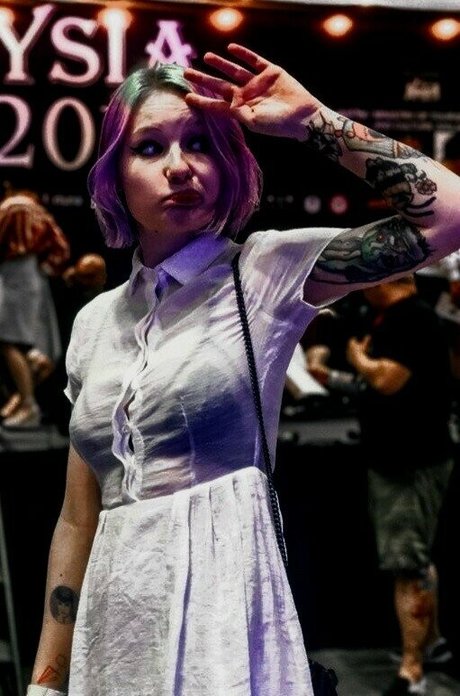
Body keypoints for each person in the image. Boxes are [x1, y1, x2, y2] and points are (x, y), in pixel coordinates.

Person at [27, 43, 460, 696]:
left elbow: (450, 216)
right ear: (115, 174)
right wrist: (46, 679)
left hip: (222, 619)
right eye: (150, 147)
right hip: (114, 629)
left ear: (228, 166)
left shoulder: (263, 272)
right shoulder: (93, 323)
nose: (179, 166)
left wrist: (312, 121)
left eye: (201, 144)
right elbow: (77, 518)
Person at [307, 275, 455, 695]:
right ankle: (432, 644)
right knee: (414, 556)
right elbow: (371, 388)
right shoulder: (385, 318)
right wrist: (330, 376)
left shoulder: (413, 320)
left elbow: (387, 380)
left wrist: (356, 359)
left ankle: (412, 670)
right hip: (395, 460)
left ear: (384, 281)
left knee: (407, 564)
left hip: (410, 463)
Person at [0, 188, 70, 428]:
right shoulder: (36, 210)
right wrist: (47, 269)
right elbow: (62, 247)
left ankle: (28, 405)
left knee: (9, 341)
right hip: (32, 274)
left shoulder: (9, 207)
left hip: (14, 273)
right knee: (21, 341)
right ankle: (21, 399)